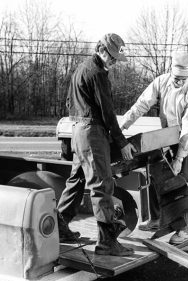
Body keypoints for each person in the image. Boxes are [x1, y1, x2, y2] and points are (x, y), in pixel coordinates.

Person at [57, 33, 136, 256]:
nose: (113, 62)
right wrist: (121, 142)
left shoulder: (81, 68)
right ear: (102, 50)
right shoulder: (98, 73)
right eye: (112, 57)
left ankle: (60, 226)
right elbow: (108, 113)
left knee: (78, 179)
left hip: (78, 130)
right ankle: (107, 242)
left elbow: (69, 102)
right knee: (102, 184)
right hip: (92, 132)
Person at [120, 51, 188, 245]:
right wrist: (122, 125)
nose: (178, 82)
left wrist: (179, 157)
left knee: (183, 180)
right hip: (167, 133)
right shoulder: (160, 82)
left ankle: (180, 231)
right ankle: (155, 220)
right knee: (156, 173)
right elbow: (142, 104)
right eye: (176, 78)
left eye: (183, 79)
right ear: (171, 72)